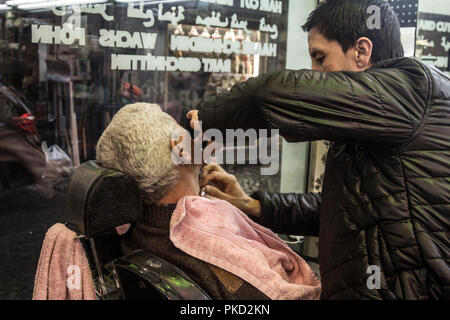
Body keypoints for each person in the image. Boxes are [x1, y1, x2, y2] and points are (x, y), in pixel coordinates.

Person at [184, 0, 450, 299]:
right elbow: (342, 210)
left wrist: (205, 118)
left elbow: (269, 94)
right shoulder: (374, 121)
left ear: (362, 51)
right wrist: (255, 206)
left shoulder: (413, 90)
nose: (315, 71)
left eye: (320, 57)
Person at [95, 103, 321, 300]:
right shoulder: (224, 267)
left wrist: (247, 204)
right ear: (180, 150)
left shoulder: (137, 232)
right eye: (181, 129)